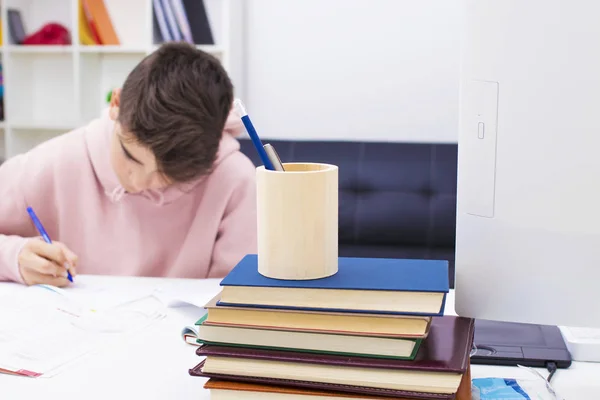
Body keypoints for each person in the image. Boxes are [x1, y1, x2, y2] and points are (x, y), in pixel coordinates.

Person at [0, 42, 257, 287]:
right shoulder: (56, 161)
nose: (141, 182)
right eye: (131, 158)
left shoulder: (236, 180)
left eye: (171, 176)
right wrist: (13, 256)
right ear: (116, 104)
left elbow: (242, 297)